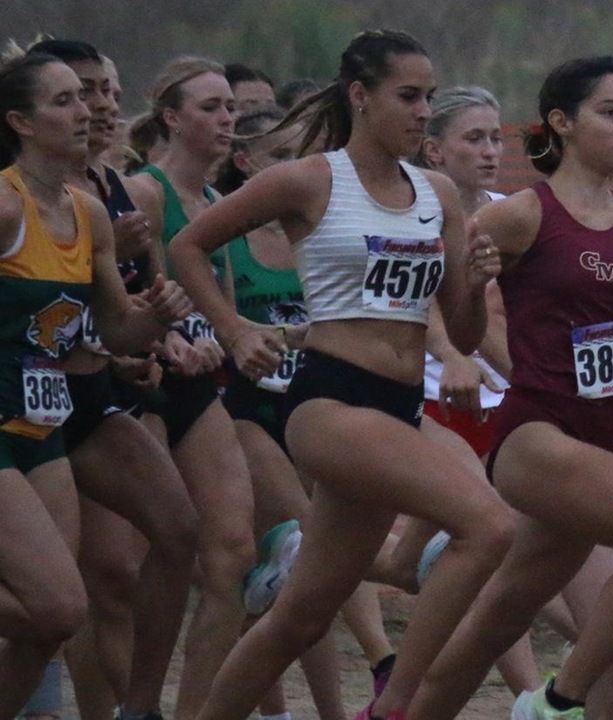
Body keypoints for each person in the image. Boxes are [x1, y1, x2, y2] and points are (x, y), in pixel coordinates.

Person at [168, 29, 515, 720]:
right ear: (361, 96)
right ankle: (398, 704)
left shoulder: (437, 192)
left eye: (430, 99)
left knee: (298, 618)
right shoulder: (310, 179)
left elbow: (465, 335)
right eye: (408, 97)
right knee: (490, 526)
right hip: (329, 402)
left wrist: (474, 286)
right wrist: (236, 331)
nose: (423, 113)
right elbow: (187, 244)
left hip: (397, 404)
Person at [407, 55, 613, 720]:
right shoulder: (524, 214)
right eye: (609, 113)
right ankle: (556, 704)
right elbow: (453, 320)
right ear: (562, 123)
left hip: (606, 441)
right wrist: (466, 299)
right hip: (536, 438)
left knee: (500, 615)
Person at [0, 50, 191, 714]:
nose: (87, 112)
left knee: (53, 617)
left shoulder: (88, 215)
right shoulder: (4, 204)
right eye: (65, 101)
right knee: (54, 603)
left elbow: (115, 330)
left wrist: (157, 318)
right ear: (20, 122)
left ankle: (135, 709)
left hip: (44, 420)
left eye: (87, 100)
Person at [129, 56, 261, 720]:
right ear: (172, 119)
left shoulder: (218, 205)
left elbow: (223, 308)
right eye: (210, 107)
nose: (227, 119)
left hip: (201, 385)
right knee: (132, 564)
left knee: (233, 553)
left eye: (231, 108)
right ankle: (135, 705)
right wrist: (167, 341)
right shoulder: (144, 191)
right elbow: (123, 293)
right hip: (141, 384)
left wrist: (241, 340)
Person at [212, 104, 347, 720]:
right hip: (245, 411)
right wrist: (243, 334)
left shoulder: (319, 231)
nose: (293, 171)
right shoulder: (229, 236)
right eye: (279, 158)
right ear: (246, 164)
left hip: (311, 410)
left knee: (302, 587)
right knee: (303, 548)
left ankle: (305, 710)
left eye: (303, 158)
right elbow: (206, 319)